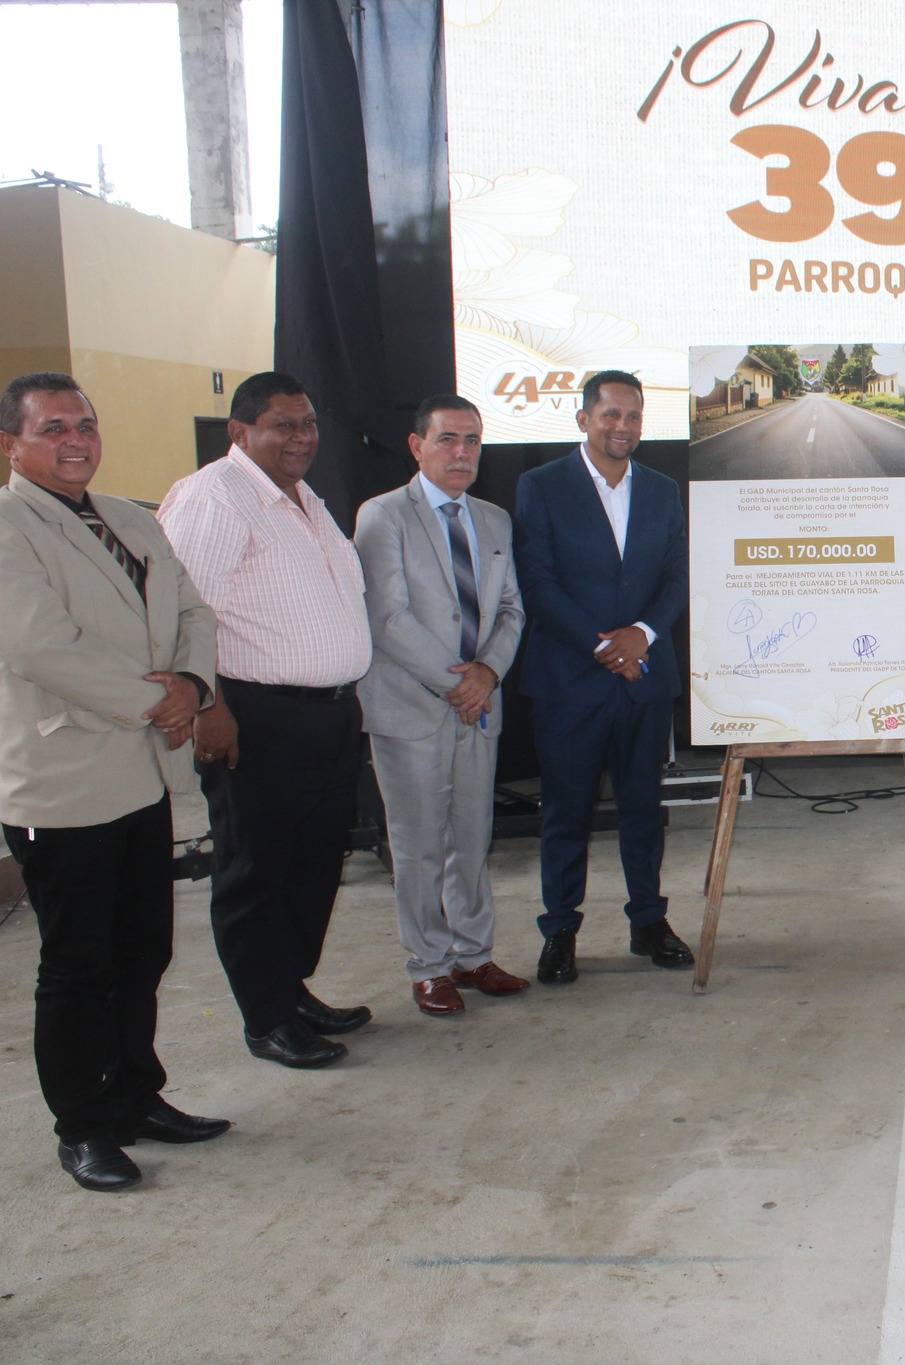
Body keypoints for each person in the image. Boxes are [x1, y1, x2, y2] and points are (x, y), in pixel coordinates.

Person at [0, 372, 230, 1191]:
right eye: (54, 427)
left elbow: (195, 613)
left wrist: (193, 685)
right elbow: (41, 648)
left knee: (142, 951)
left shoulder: (131, 518)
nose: (77, 440)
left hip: (142, 776)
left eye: (86, 424)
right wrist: (160, 702)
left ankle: (135, 1096)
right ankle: (83, 1126)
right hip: (65, 782)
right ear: (11, 444)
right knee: (77, 967)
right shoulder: (9, 529)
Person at [158, 372, 375, 1065]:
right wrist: (209, 705)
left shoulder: (304, 496)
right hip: (254, 716)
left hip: (327, 715)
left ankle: (289, 989)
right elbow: (182, 614)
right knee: (255, 870)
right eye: (283, 425)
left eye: (308, 424)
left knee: (312, 864)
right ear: (239, 432)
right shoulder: (214, 498)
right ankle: (266, 1018)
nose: (301, 437)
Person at [514, 370, 691, 984]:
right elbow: (537, 581)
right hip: (570, 680)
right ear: (584, 418)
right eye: (611, 414)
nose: (623, 426)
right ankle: (560, 931)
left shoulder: (662, 490)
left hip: (644, 677)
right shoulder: (541, 486)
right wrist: (606, 647)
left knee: (643, 808)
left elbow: (677, 576)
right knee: (566, 813)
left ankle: (649, 922)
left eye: (633, 416)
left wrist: (642, 634)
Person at [354, 396, 529, 1015]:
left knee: (472, 840)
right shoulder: (383, 516)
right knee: (419, 845)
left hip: (479, 707)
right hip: (413, 709)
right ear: (416, 446)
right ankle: (428, 966)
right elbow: (387, 617)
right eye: (448, 439)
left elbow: (510, 610)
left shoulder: (494, 519)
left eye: (472, 440)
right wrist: (459, 683)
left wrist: (489, 672)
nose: (462, 452)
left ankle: (473, 956)